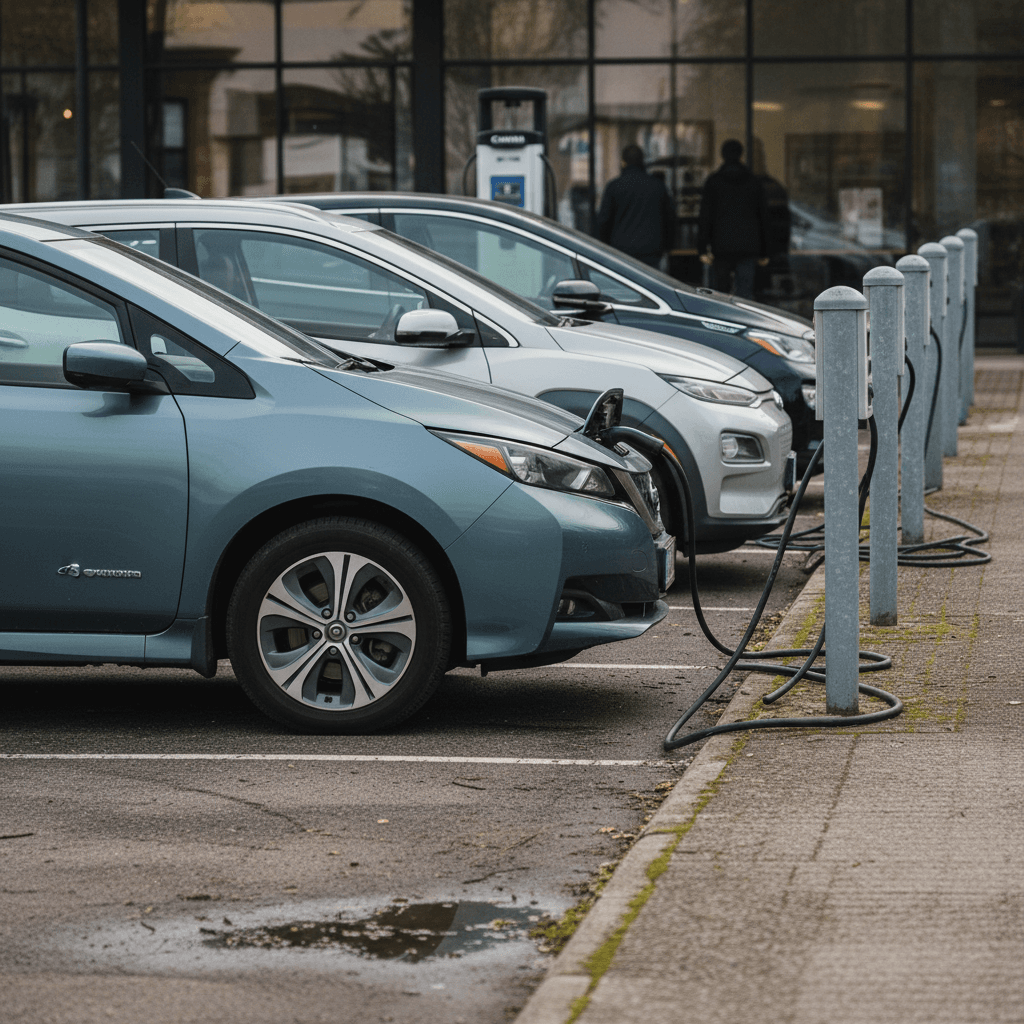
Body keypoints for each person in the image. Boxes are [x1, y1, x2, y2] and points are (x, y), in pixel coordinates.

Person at [697, 139, 770, 298]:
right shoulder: (754, 182)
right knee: (745, 294)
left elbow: (705, 216)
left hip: (721, 246)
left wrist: (702, 248)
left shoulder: (714, 181)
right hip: (748, 246)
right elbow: (763, 217)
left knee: (720, 295)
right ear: (741, 154)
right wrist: (765, 251)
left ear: (722, 155)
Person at [596, 144, 676, 268]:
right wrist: (668, 246)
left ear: (623, 162)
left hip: (621, 250)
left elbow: (604, 222)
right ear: (642, 161)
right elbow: (670, 219)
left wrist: (605, 247)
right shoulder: (657, 186)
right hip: (651, 251)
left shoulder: (614, 187)